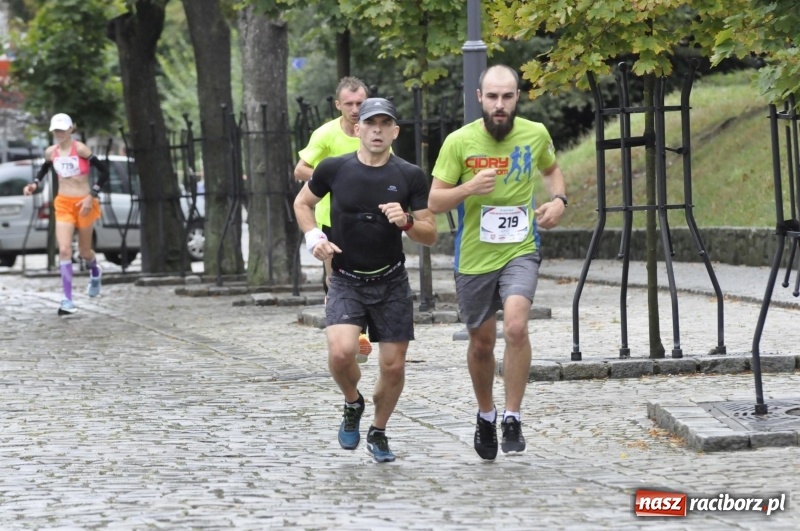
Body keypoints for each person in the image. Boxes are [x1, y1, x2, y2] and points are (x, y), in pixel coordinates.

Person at [428, 65, 567, 460]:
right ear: (480, 98)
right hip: (474, 255)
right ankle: (486, 414)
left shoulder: (535, 133)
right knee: (482, 343)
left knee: (517, 326)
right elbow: (434, 201)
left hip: (520, 248)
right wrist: (469, 188)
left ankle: (512, 416)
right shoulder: (459, 142)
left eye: (507, 96)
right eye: (492, 97)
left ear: (517, 97)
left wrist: (558, 200)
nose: (500, 104)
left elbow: (552, 170)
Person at [293, 98, 437, 462]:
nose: (377, 130)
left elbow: (430, 233)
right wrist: (314, 238)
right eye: (371, 123)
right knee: (341, 353)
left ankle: (378, 430)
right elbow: (302, 203)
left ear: (395, 132)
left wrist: (407, 221)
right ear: (357, 129)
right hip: (346, 278)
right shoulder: (334, 168)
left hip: (391, 280)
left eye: (385, 124)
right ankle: (352, 402)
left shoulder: (409, 175)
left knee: (393, 366)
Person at [294, 76, 373, 358]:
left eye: (360, 103)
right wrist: (335, 179)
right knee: (336, 277)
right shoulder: (326, 134)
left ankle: (359, 332)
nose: (355, 109)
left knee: (367, 274)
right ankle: (342, 332)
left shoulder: (376, 131)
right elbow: (300, 170)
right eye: (349, 104)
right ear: (338, 104)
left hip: (370, 217)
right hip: (332, 218)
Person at [23, 113, 110, 315]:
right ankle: (67, 300)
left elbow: (104, 171)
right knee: (64, 250)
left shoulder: (80, 149)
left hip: (84, 203)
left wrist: (91, 196)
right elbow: (44, 170)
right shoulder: (50, 152)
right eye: (56, 130)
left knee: (85, 252)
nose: (59, 133)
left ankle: (95, 270)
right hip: (63, 203)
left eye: (63, 129)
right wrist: (34, 184)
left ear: (71, 129)